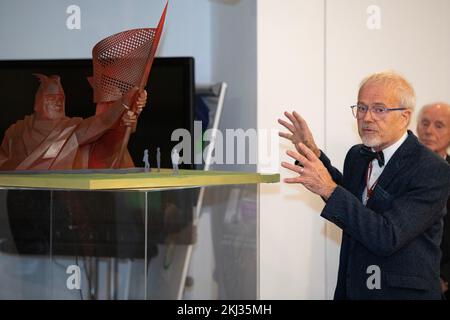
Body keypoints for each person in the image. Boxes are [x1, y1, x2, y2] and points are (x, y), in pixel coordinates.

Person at [279, 71, 450, 299]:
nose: (367, 117)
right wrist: (312, 152)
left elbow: (387, 236)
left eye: (379, 109)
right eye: (361, 108)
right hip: (353, 288)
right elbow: (352, 203)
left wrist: (328, 189)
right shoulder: (357, 155)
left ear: (404, 117)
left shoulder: (432, 168)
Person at [0, 74, 146, 170]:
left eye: (60, 99)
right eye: (52, 98)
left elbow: (102, 122)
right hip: (18, 195)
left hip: (59, 197)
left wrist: (125, 102)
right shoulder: (16, 131)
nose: (57, 103)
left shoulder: (70, 128)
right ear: (38, 102)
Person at [417, 102, 450, 299]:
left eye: (439, 125)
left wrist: (445, 278)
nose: (429, 131)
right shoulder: (400, 171)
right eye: (425, 123)